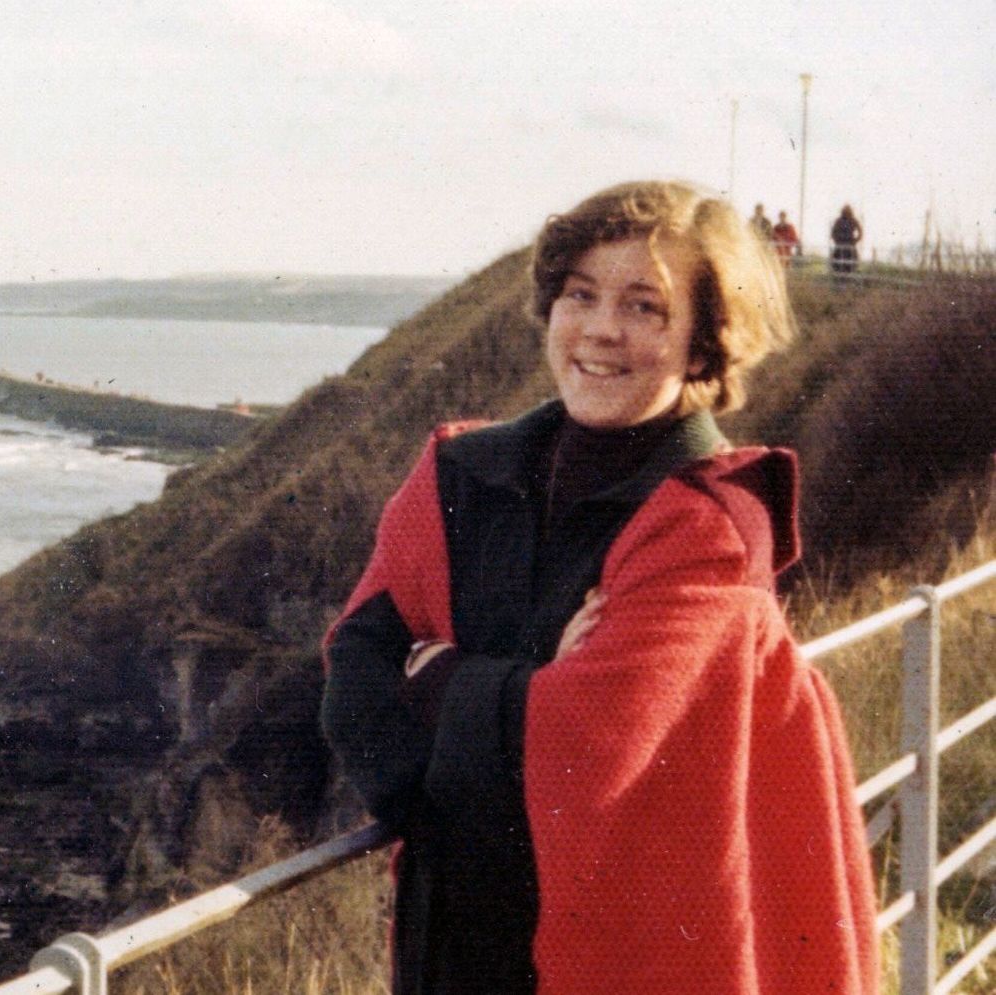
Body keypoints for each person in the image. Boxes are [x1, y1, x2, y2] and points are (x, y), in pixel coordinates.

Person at [322, 181, 877, 995]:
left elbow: (587, 749)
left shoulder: (712, 522)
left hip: (619, 957)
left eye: (646, 307)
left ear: (702, 346)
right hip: (450, 948)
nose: (602, 329)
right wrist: (529, 701)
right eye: (581, 294)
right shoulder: (455, 473)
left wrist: (441, 679)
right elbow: (352, 681)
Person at [831, 204, 864, 276]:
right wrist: (836, 240)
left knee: (850, 264)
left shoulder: (853, 220)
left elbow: (860, 232)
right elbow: (833, 232)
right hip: (840, 245)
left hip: (849, 245)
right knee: (838, 264)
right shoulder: (839, 221)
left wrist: (855, 240)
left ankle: (848, 279)